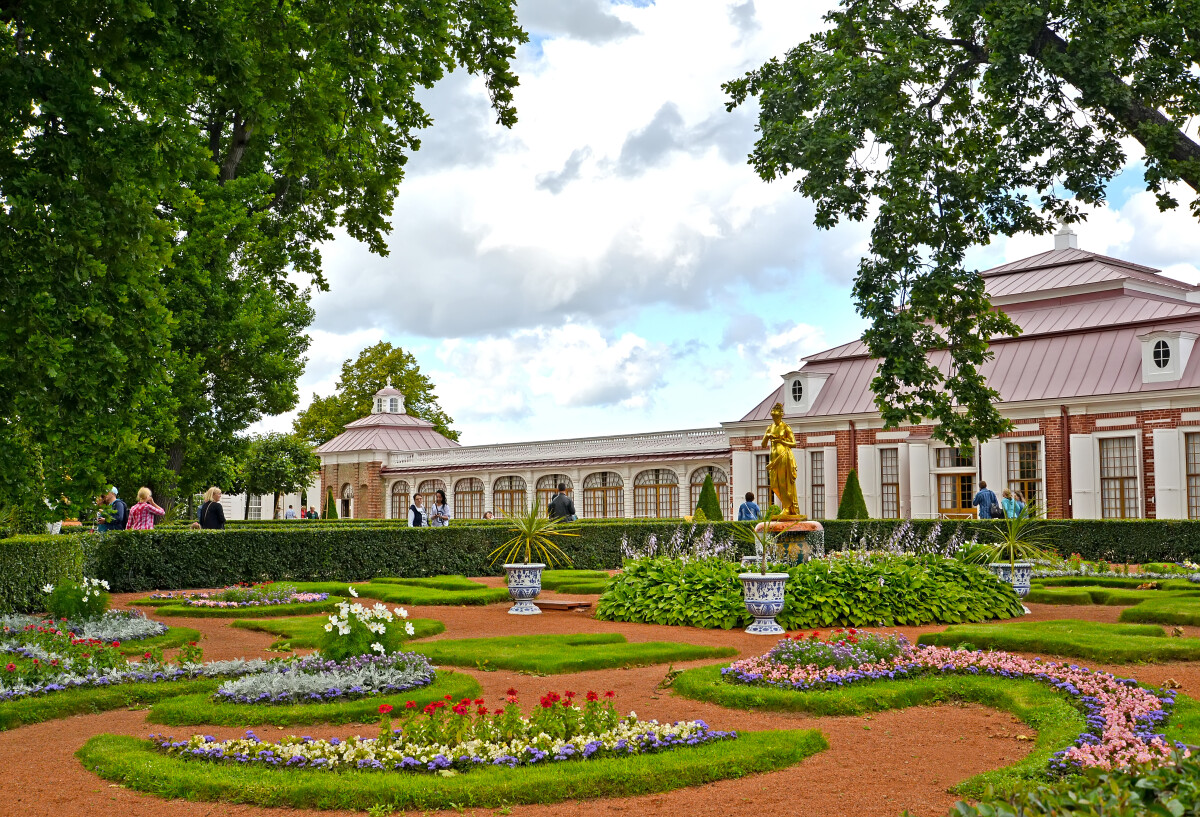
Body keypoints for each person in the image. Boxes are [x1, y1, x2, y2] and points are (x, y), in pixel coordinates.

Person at [761, 402, 800, 517]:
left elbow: (794, 444)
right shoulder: (770, 428)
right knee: (773, 484)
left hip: (783, 456)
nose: (775, 418)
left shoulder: (786, 427)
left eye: (777, 416)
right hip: (773, 459)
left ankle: (787, 508)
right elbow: (763, 445)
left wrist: (781, 441)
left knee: (784, 483)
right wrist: (767, 436)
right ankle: (786, 505)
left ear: (781, 415)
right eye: (773, 416)